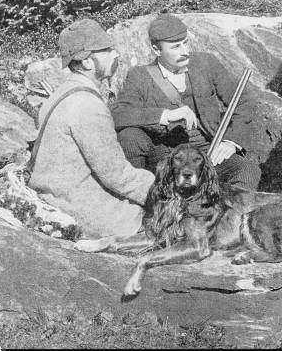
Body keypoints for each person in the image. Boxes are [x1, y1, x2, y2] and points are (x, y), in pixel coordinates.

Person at [28, 19, 155, 238]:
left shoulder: (62, 92)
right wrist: (159, 186)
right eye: (107, 50)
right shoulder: (88, 106)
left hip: (56, 193)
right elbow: (116, 176)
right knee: (158, 221)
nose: (115, 55)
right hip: (79, 206)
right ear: (87, 62)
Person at [112, 14, 261, 190]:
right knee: (128, 135)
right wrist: (165, 115)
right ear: (156, 49)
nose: (184, 51)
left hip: (206, 150)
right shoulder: (140, 76)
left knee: (248, 170)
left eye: (185, 43)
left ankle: (225, 215)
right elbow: (119, 113)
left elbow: (244, 98)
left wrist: (230, 142)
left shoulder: (205, 63)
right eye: (175, 47)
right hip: (166, 154)